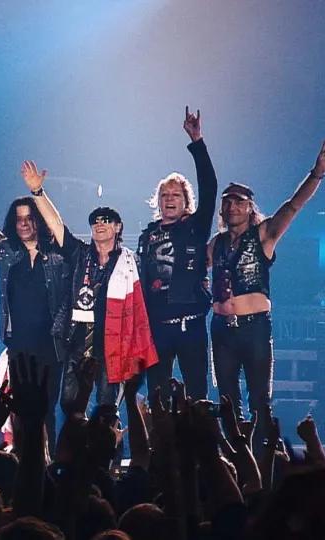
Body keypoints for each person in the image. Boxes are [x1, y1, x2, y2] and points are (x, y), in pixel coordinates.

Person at [208, 137, 325, 422]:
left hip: (254, 328)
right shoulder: (215, 244)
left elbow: (293, 206)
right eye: (227, 202)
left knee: (259, 402)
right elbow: (193, 271)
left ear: (249, 208)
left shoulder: (263, 235)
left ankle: (263, 461)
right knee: (227, 402)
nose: (232, 207)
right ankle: (234, 459)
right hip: (221, 331)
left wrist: (317, 172)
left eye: (239, 202)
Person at [20, 174, 157, 415]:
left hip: (111, 341)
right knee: (69, 404)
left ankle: (107, 452)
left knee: (106, 407)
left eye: (106, 220)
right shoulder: (80, 254)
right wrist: (38, 192)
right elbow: (56, 225)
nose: (99, 224)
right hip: (77, 339)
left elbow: (141, 308)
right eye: (94, 221)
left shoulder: (132, 262)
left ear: (118, 227)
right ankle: (71, 451)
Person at [0, 161, 74, 451]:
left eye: (30, 218)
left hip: (52, 345)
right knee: (20, 410)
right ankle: (23, 460)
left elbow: (67, 295)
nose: (25, 223)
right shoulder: (8, 254)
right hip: (19, 345)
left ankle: (49, 461)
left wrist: (61, 328)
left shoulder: (58, 254)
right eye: (19, 219)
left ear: (38, 221)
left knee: (48, 409)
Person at [136, 107, 218, 399]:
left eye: (176, 195)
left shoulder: (195, 227)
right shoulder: (147, 236)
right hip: (156, 329)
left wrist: (197, 143)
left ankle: (200, 444)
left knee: (197, 395)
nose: (169, 200)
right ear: (157, 201)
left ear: (186, 201)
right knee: (157, 396)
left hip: (190, 325)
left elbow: (210, 188)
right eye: (164, 195)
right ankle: (161, 445)